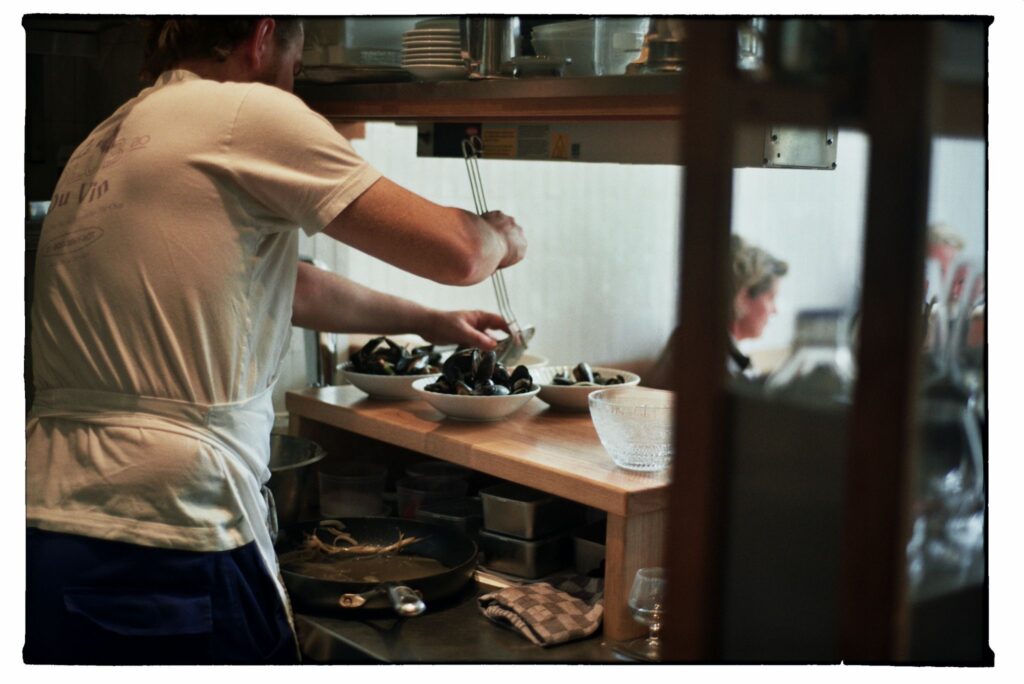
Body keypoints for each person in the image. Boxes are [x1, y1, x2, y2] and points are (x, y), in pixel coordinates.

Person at [25, 17, 525, 665]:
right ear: (262, 37)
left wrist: (428, 321)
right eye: (296, 64)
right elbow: (459, 252)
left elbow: (293, 288)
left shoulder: (112, 137)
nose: (293, 83)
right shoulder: (244, 113)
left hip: (50, 517)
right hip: (168, 524)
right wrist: (502, 238)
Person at [645, 235, 788, 388]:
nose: (775, 310)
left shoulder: (709, 341)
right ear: (743, 297)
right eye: (771, 298)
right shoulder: (704, 350)